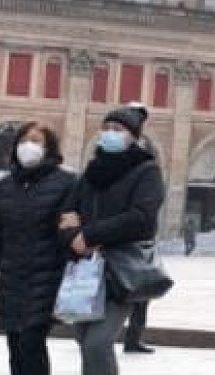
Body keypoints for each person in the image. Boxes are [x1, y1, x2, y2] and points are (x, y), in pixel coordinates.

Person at [60, 105, 166, 375]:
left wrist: (90, 234)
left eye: (117, 129)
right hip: (86, 270)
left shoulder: (146, 171)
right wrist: (74, 238)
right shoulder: (91, 174)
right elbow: (67, 215)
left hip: (121, 270)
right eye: (106, 128)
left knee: (97, 342)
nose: (109, 133)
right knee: (83, 339)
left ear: (133, 137)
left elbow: (141, 218)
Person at [0, 123, 79, 375]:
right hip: (11, 282)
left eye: (36, 141)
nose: (28, 146)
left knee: (31, 343)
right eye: (23, 140)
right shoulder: (5, 187)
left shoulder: (66, 183)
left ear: (49, 147)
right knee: (15, 347)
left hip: (46, 281)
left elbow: (69, 235)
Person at [120, 103, 157, 356]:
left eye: (140, 118)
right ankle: (93, 333)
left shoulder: (146, 151)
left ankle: (133, 337)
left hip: (140, 236)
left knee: (142, 291)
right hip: (116, 234)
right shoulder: (113, 148)